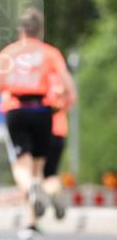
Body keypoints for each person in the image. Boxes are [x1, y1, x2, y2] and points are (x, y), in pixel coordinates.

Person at [0, 6, 75, 239]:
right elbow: (69, 89)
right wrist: (57, 106)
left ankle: (31, 189)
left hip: (17, 109)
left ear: (21, 30)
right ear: (40, 30)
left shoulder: (9, 53)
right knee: (38, 166)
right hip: (44, 111)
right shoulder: (50, 53)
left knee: (20, 165)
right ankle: (32, 219)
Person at [42, 69, 77, 219]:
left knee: (35, 172)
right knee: (52, 171)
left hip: (41, 132)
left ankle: (33, 217)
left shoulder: (39, 80)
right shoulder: (62, 81)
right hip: (59, 133)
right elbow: (70, 100)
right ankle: (55, 192)